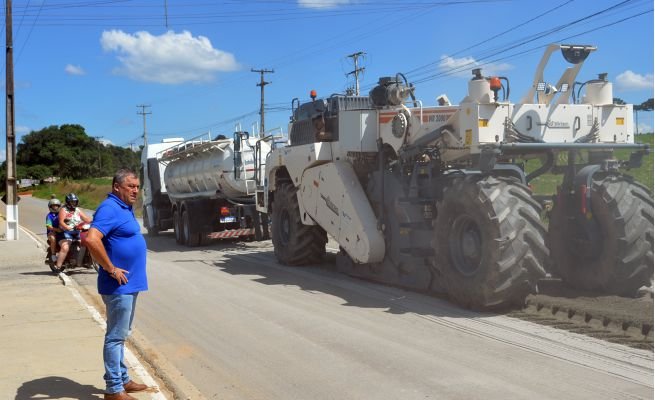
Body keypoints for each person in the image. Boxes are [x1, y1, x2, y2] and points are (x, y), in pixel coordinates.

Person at [84, 169, 150, 400]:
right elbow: (91, 239)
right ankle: (114, 390)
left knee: (122, 334)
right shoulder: (110, 208)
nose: (136, 190)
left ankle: (123, 380)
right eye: (130, 186)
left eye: (137, 186)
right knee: (115, 336)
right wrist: (110, 268)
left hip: (128, 285)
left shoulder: (123, 207)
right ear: (116, 187)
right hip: (117, 287)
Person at [55, 193, 92, 271]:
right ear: (68, 202)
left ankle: (83, 261)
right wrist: (67, 227)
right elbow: (61, 222)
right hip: (65, 233)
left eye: (75, 202)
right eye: (72, 202)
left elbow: (86, 219)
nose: (74, 203)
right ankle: (58, 266)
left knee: (84, 243)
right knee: (65, 247)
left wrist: (95, 221)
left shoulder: (77, 210)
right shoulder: (63, 210)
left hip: (76, 232)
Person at [45, 197, 62, 262]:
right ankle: (53, 254)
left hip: (62, 231)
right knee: (53, 239)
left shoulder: (61, 213)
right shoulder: (49, 216)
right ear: (50, 207)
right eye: (53, 206)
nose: (55, 207)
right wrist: (57, 230)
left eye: (57, 206)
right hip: (51, 232)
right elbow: (49, 226)